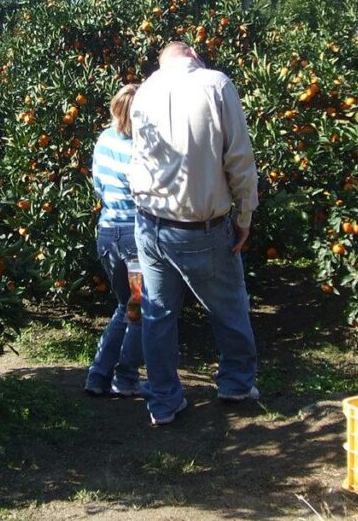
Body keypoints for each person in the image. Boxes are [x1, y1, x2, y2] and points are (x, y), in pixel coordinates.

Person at [129, 41, 260, 426]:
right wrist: (245, 214)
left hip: (149, 224)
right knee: (229, 305)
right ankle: (235, 384)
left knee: (158, 315)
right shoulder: (216, 84)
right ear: (192, 53)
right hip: (199, 226)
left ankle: (163, 403)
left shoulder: (145, 90)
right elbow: (238, 157)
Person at [85, 84, 145, 398]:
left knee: (126, 305)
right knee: (137, 307)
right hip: (134, 237)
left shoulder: (104, 139)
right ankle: (126, 378)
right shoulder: (140, 147)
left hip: (107, 232)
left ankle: (97, 375)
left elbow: (98, 185)